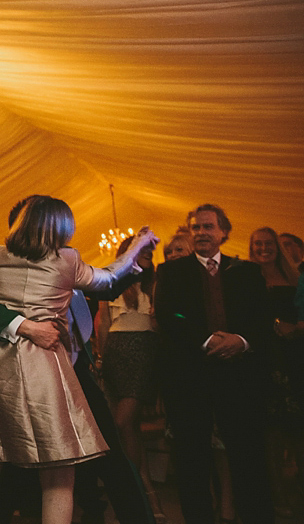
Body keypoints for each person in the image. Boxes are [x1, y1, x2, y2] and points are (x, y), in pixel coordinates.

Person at [0, 195, 158, 524]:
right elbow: (108, 278)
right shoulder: (67, 259)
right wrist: (137, 246)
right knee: (58, 472)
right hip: (42, 365)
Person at [154, 204, 275, 524]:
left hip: (239, 375)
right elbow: (169, 316)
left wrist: (241, 341)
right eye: (195, 228)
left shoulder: (247, 271)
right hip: (191, 375)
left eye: (208, 227)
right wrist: (207, 341)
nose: (201, 233)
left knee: (247, 453)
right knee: (193, 457)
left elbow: (263, 320)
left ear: (223, 233)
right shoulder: (171, 272)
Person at [98, 236, 165, 522]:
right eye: (141, 250)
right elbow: (102, 323)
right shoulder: (111, 284)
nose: (147, 254)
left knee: (124, 422)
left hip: (144, 354)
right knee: (129, 429)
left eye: (150, 250)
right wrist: (101, 360)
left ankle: (136, 490)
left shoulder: (158, 282)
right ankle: (145, 495)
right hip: (115, 354)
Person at [248, 226, 304, 515]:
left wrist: (295, 328)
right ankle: (278, 498)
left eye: (268, 243)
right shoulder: (245, 277)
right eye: (257, 243)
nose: (263, 248)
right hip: (264, 360)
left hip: (295, 357)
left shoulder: (294, 278)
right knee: (272, 433)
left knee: (298, 430)